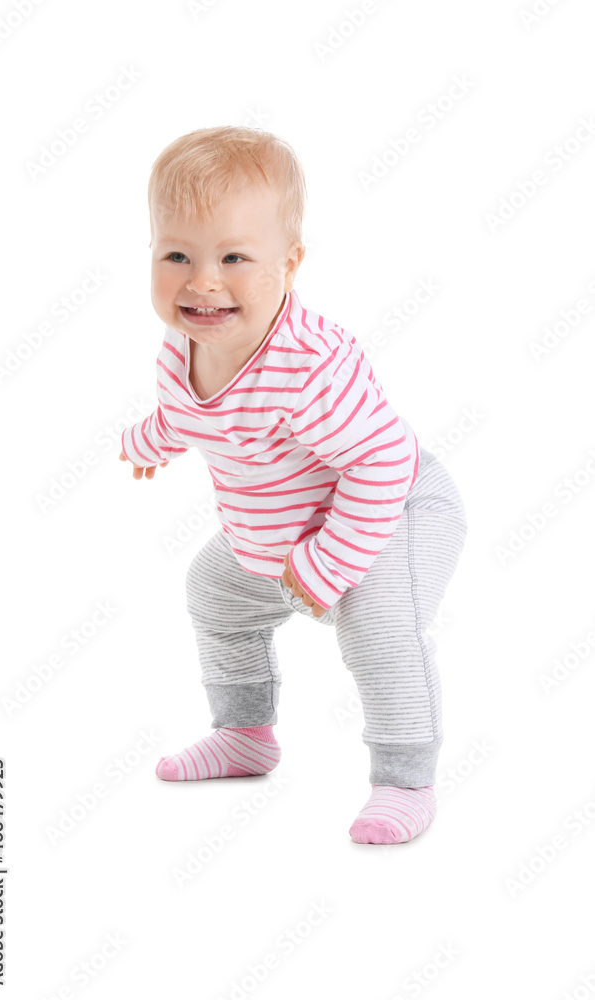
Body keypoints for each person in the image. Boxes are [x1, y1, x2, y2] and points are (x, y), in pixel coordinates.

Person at [119, 125, 468, 844]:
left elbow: (377, 462)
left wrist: (330, 563)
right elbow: (192, 413)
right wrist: (152, 438)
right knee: (213, 590)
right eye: (176, 254)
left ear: (290, 263)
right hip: (277, 533)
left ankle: (405, 776)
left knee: (378, 629)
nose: (202, 280)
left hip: (391, 510)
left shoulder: (308, 364)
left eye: (234, 258)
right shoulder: (187, 340)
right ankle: (245, 733)